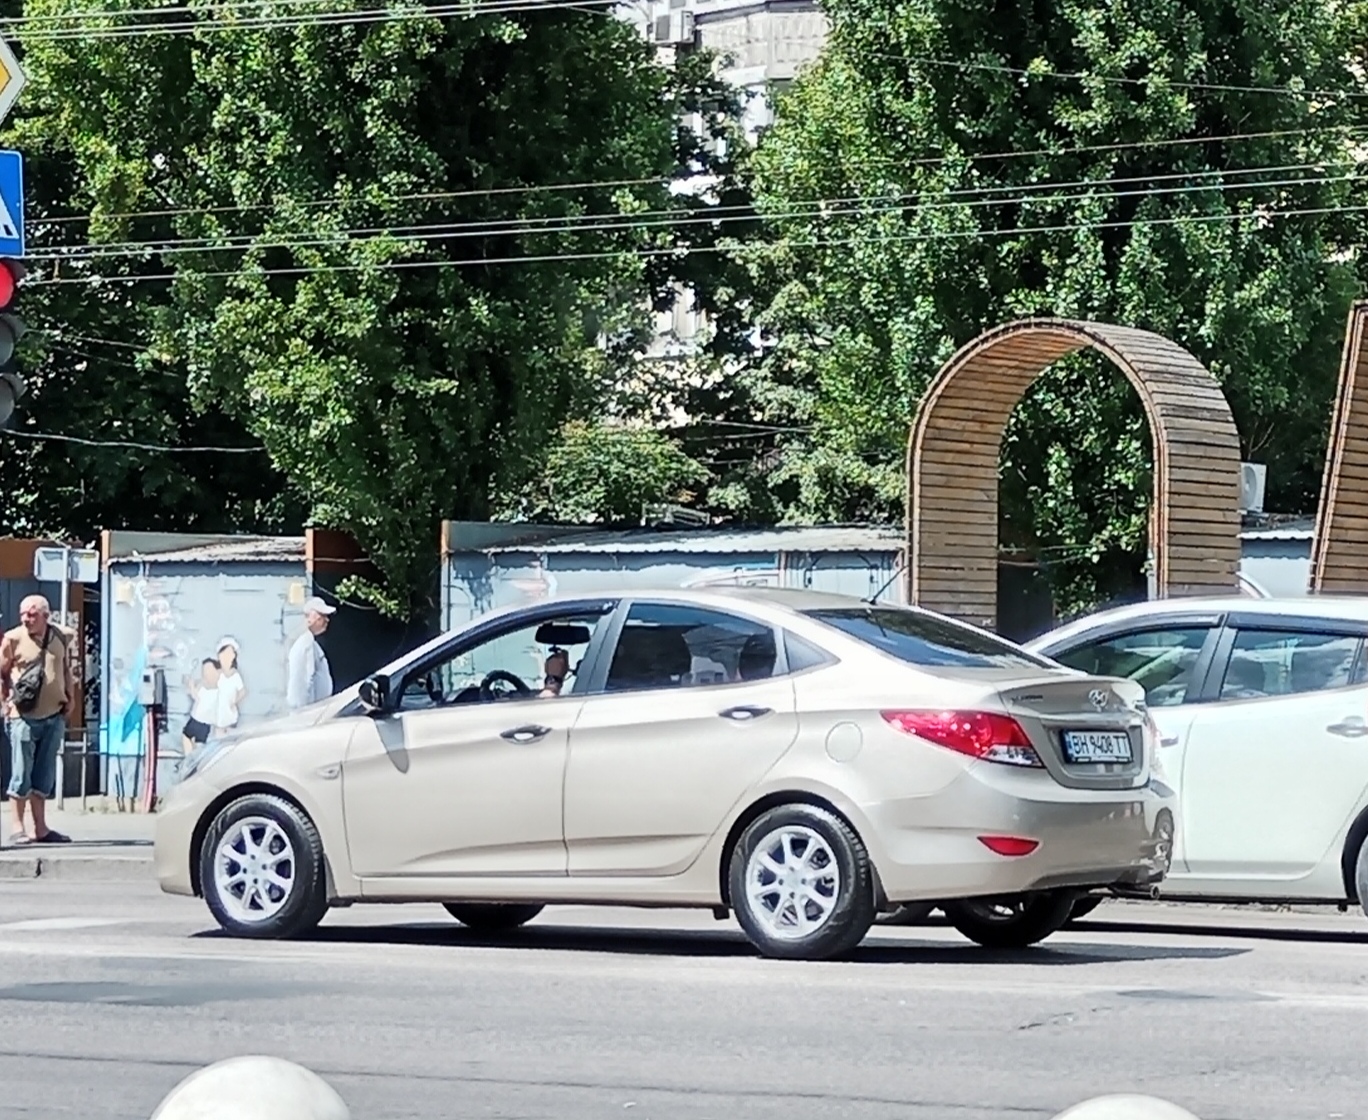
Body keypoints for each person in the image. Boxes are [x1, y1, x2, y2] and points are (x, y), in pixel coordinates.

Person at [0, 595, 74, 846]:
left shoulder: (61, 636)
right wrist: (4, 703)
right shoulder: (13, 639)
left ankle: (40, 828)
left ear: (45, 615)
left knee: (44, 775)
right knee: (21, 774)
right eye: (23, 614)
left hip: (54, 716)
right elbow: (2, 672)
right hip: (23, 717)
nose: (26, 618)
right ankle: (17, 827)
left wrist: (70, 698)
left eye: (32, 614)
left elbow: (65, 669)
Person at [287, 597, 336, 710]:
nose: (327, 620)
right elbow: (304, 682)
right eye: (322, 616)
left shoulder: (309, 642)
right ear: (310, 618)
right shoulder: (306, 643)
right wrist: (305, 712)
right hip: (309, 714)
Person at [182, 658, 220, 754]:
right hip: (203, 722)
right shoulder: (206, 686)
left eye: (208, 670)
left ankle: (189, 758)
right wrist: (190, 685)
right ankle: (193, 759)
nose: (205, 673)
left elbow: (196, 697)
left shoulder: (213, 689)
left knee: (187, 736)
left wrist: (191, 686)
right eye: (204, 670)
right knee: (199, 743)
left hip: (198, 721)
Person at [214, 640, 246, 736]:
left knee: (228, 732)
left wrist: (234, 701)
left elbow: (242, 691)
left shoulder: (235, 675)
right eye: (224, 654)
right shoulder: (217, 673)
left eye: (230, 654)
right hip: (217, 710)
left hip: (229, 710)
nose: (226, 657)